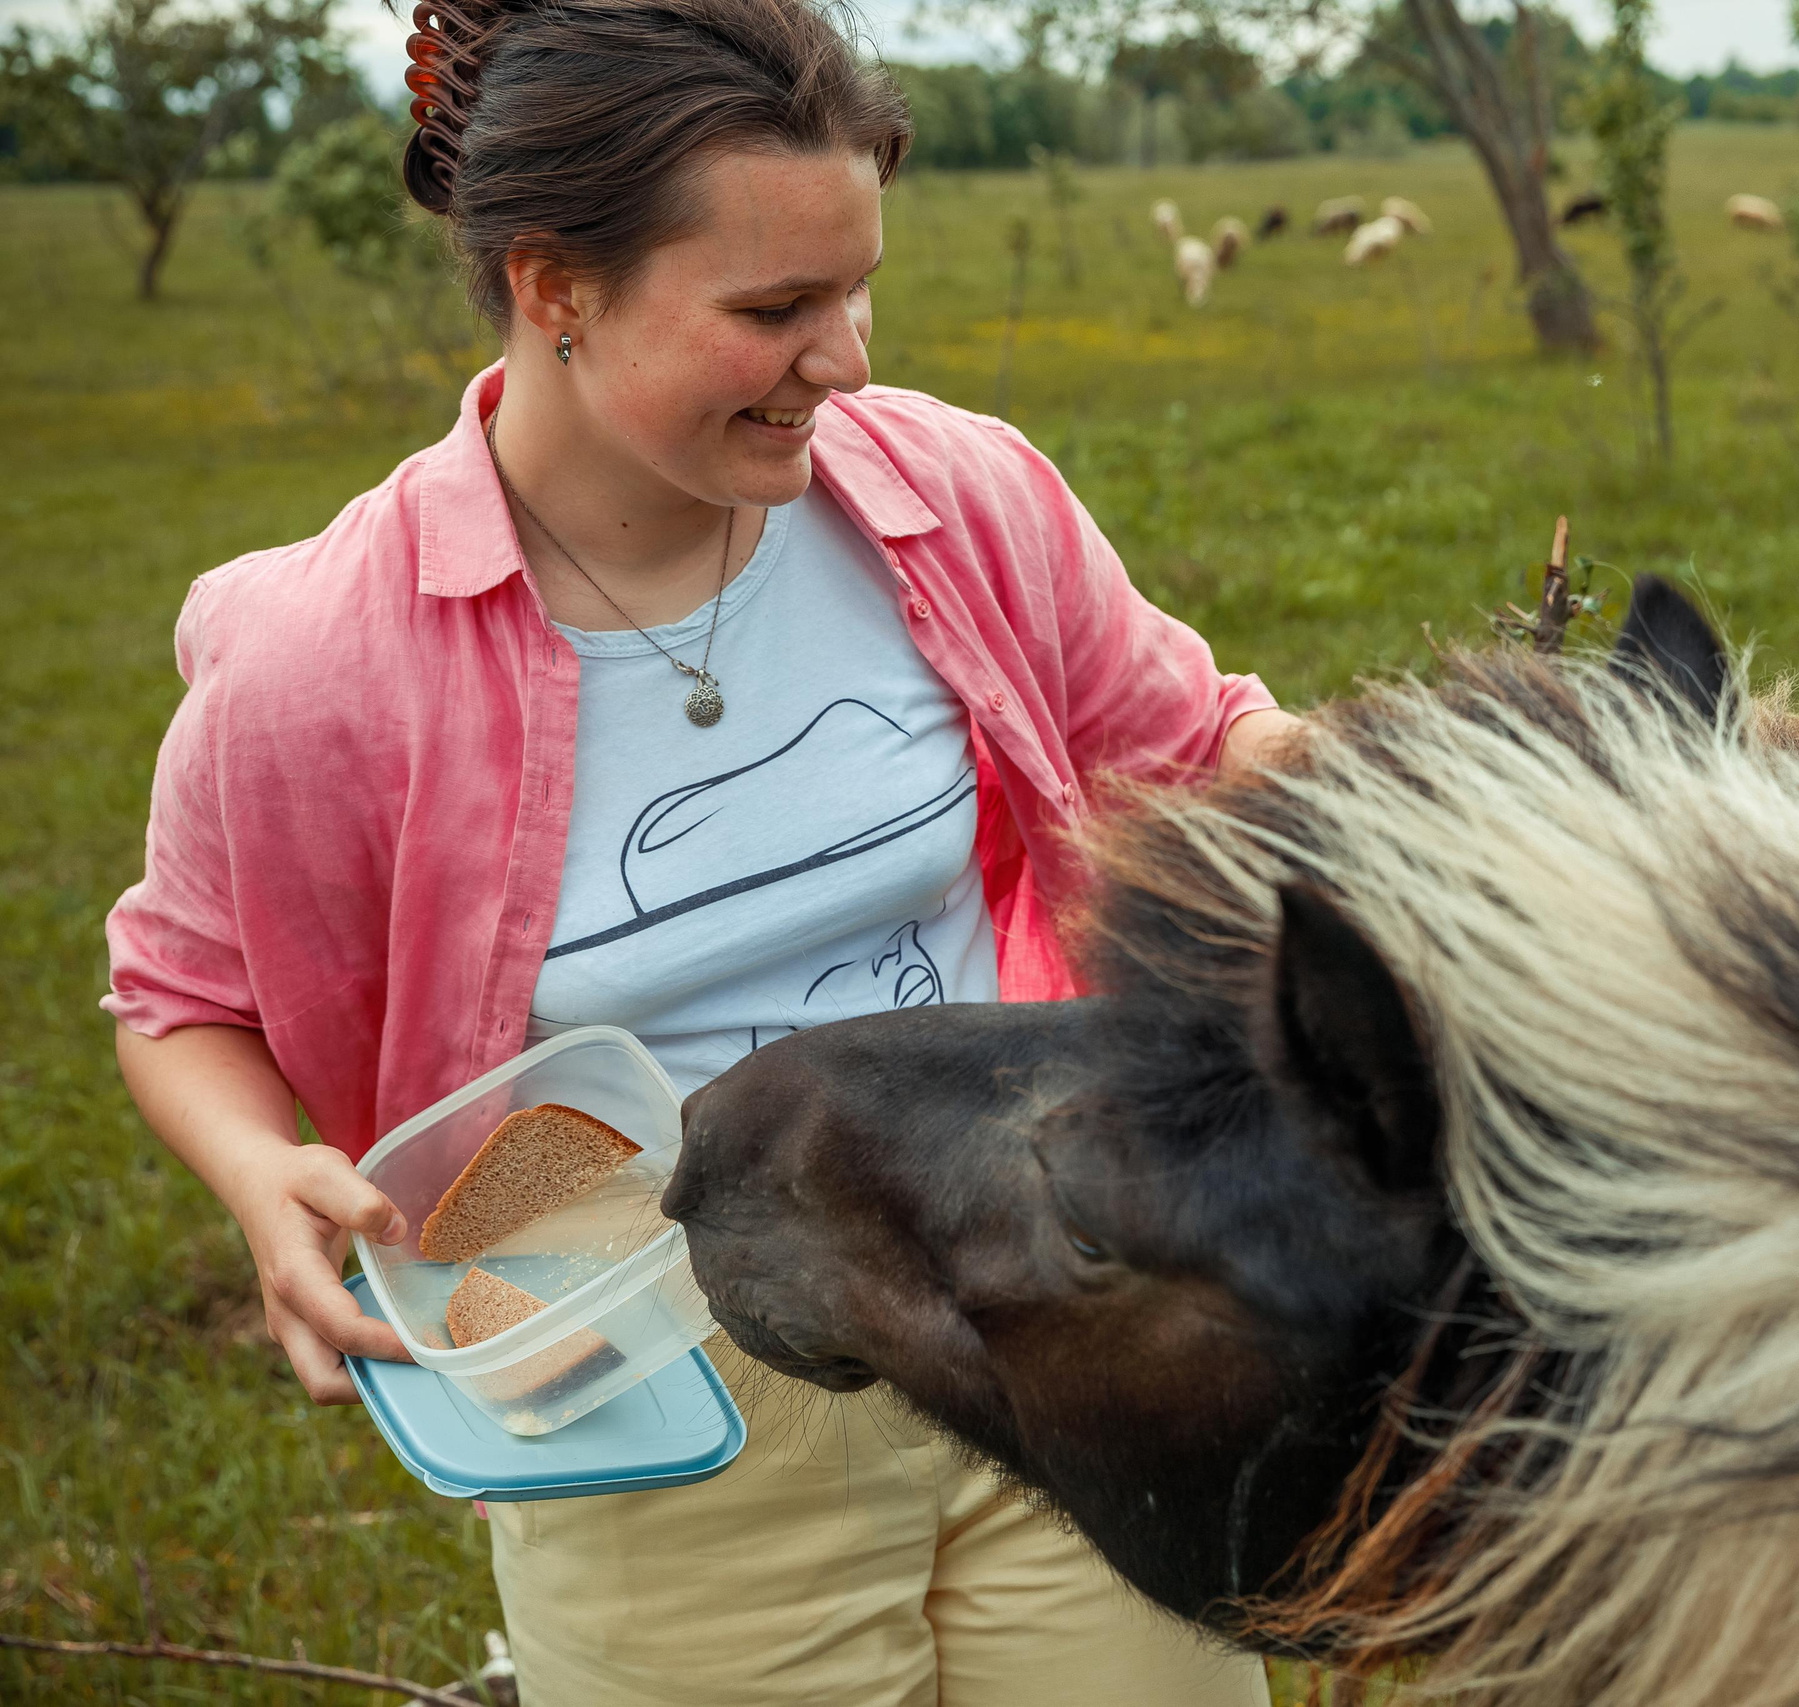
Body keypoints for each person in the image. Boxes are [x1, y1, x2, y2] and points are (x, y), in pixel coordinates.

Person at [102, 3, 1288, 1702]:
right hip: (660, 1387)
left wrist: (1447, 782)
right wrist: (254, 1172)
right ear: (554, 287)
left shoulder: (955, 498)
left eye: (859, 285)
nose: (851, 357)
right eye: (775, 310)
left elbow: (1191, 734)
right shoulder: (322, 664)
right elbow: (180, 994)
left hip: (1049, 1307)